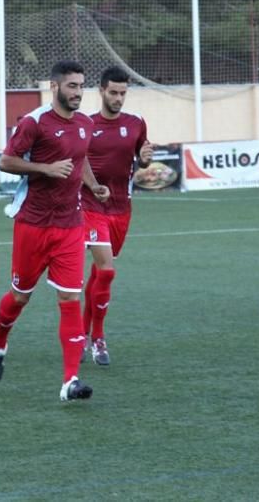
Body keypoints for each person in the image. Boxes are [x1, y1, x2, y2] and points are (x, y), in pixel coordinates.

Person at [0, 60, 109, 401]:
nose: (78, 92)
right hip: (33, 225)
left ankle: (70, 381)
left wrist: (94, 186)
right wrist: (45, 168)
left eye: (81, 86)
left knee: (70, 298)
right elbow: (7, 161)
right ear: (54, 87)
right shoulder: (34, 122)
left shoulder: (85, 124)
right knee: (20, 297)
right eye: (72, 86)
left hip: (71, 224)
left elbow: (79, 161)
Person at [80, 66, 152, 365]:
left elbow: (142, 159)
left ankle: (81, 334)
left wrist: (146, 160)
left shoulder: (136, 124)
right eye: (113, 93)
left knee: (99, 273)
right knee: (107, 270)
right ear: (101, 91)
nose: (118, 98)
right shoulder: (85, 124)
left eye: (123, 93)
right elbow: (76, 159)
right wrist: (94, 186)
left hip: (122, 208)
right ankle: (98, 338)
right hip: (90, 206)